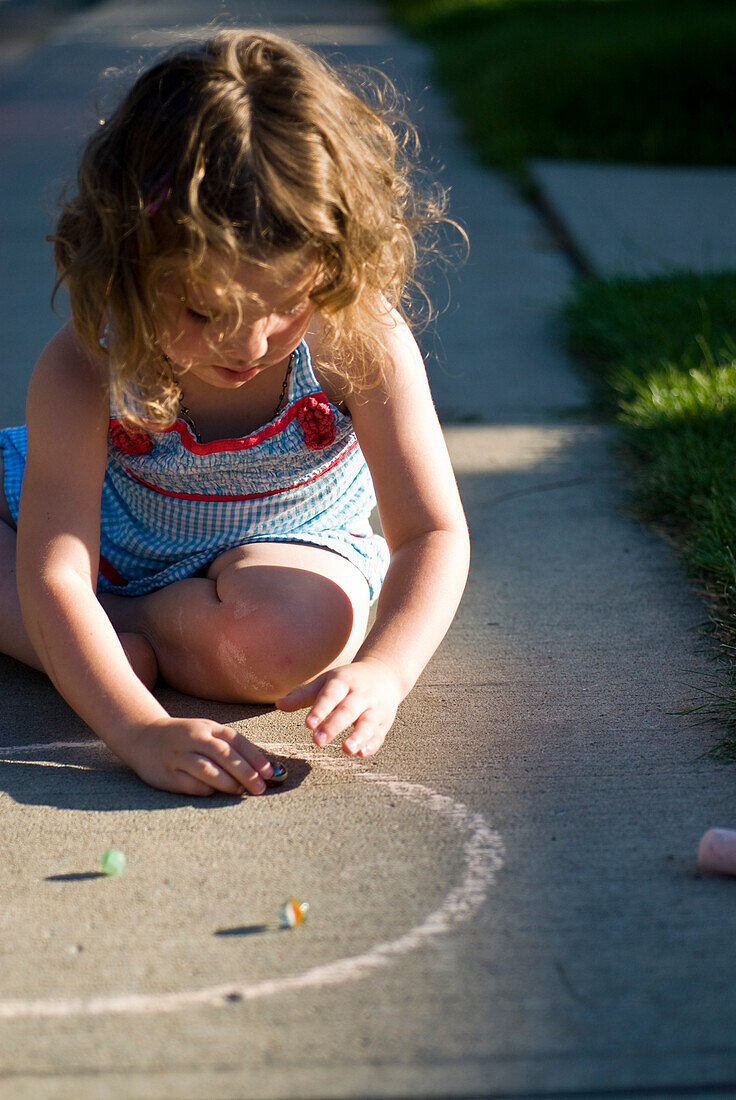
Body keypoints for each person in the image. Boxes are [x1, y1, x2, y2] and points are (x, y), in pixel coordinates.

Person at [0, 30, 470, 798]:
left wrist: (386, 670)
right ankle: (108, 637)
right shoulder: (86, 364)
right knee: (55, 592)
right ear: (128, 260)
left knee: (291, 639)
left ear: (334, 264)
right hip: (109, 529)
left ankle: (113, 633)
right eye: (201, 309)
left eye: (286, 306)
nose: (247, 343)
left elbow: (431, 532)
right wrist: (138, 729)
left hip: (284, 544)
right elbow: (55, 570)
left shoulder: (357, 339)